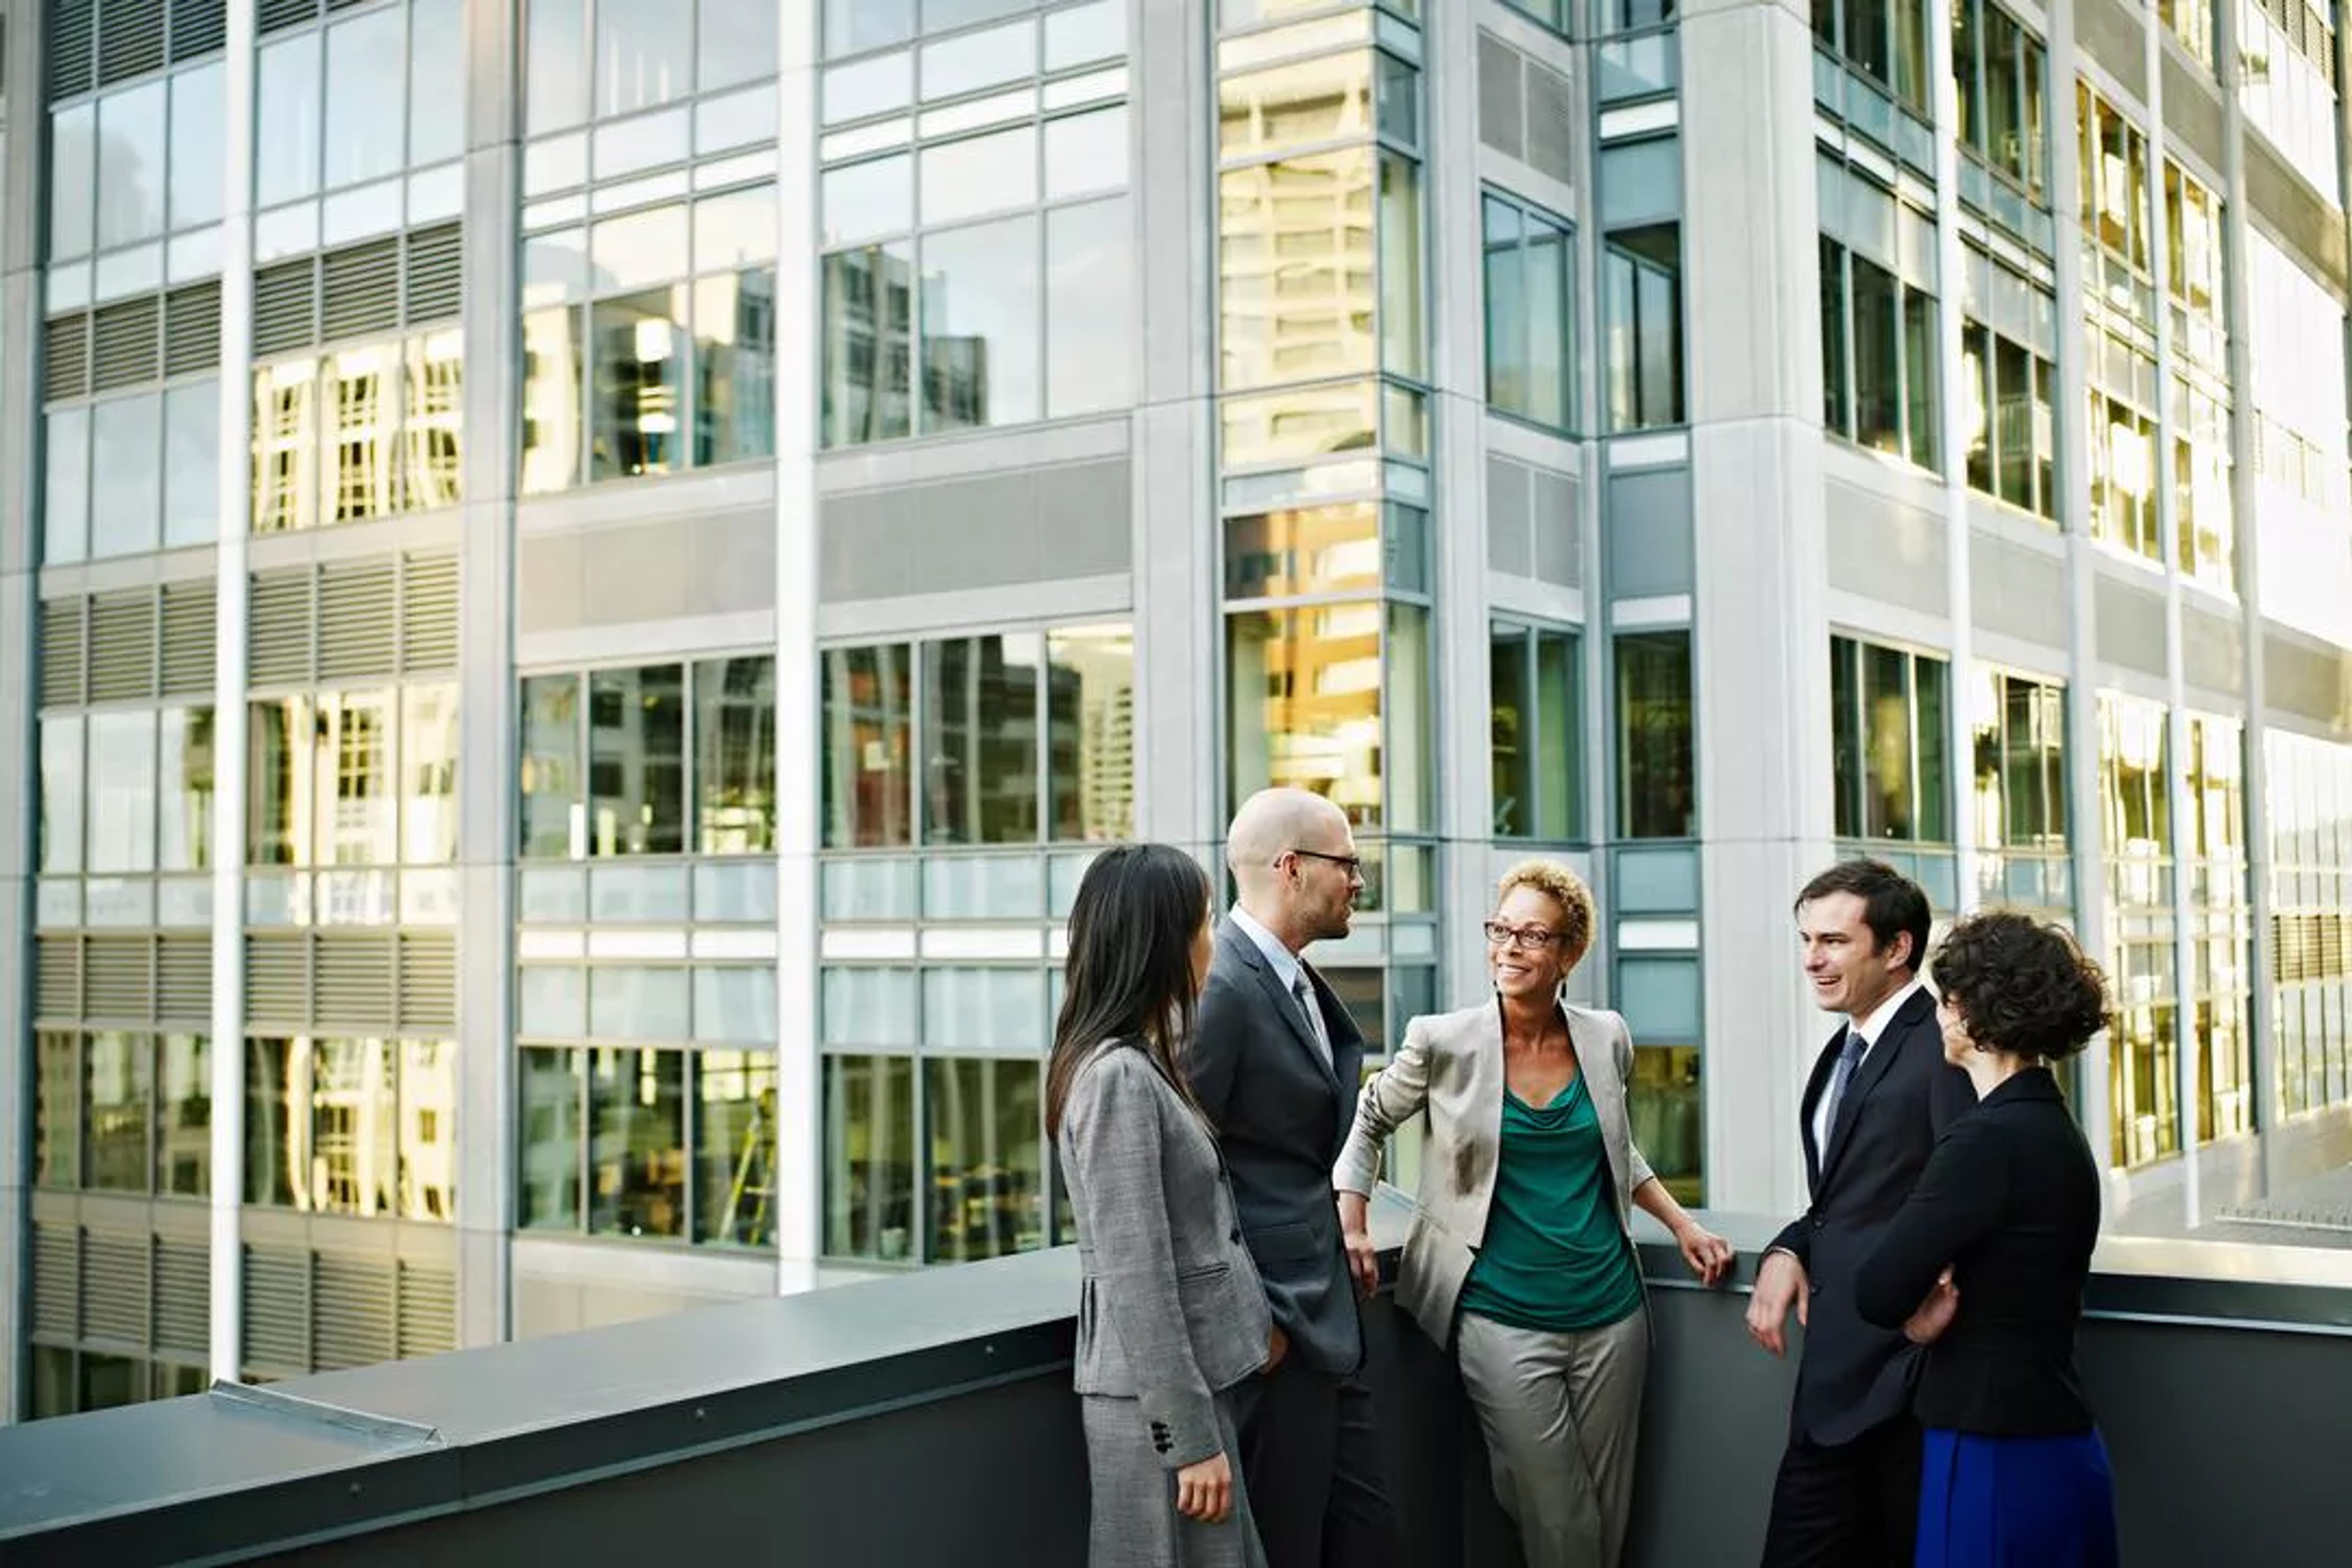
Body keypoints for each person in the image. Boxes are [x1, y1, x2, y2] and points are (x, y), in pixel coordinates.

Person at [1332, 859, 1733, 1568]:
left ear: (1569, 952)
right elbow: (1368, 1121)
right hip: (1501, 1315)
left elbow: (1617, 1148)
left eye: (1533, 935)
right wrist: (1353, 1220)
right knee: (1559, 1511)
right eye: (1501, 930)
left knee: (1606, 1508)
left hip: (1612, 1312)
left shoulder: (1606, 1036)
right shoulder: (1443, 1040)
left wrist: (1683, 1225)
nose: (1510, 948)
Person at [1853, 912, 2120, 1568]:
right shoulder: (2056, 1130)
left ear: (1972, 1013)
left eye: (1947, 997)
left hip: (1991, 1448)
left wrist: (1916, 1323)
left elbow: (1878, 1290)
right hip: (2058, 1441)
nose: (1939, 1013)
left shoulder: (1985, 1140)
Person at [1051, 844, 1283, 1567]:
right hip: (1160, 1408)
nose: (1214, 939)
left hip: (1188, 1387)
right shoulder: (1117, 1077)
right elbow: (1137, 1273)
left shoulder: (1140, 1060)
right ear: (1164, 941)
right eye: (1206, 921)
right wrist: (1188, 1440)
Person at [1187, 788, 1398, 1568]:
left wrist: (1346, 1219)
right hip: (1275, 1332)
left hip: (1326, 1315)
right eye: (1348, 863)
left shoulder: (1291, 977)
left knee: (1368, 1538)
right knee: (1290, 1545)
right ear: (1291, 868)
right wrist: (1256, 1320)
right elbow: (1187, 1168)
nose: (1359, 881)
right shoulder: (1221, 986)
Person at [1749, 859, 1977, 1566]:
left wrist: (1912, 1352)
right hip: (1835, 1386)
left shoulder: (1941, 1049)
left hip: (1900, 1393)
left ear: (1897, 947)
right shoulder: (1846, 1047)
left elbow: (1963, 1204)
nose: (1812, 960)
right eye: (1807, 940)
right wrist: (1789, 1247)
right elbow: (1848, 1197)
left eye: (1834, 941)